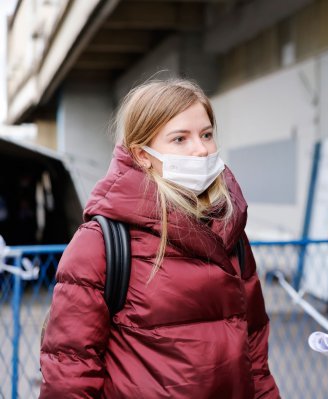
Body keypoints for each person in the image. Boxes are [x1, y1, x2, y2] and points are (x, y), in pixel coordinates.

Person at [40, 79, 280, 398]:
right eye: (180, 138)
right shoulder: (102, 242)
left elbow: (255, 358)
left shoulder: (229, 230)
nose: (201, 148)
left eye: (206, 134)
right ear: (142, 155)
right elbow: (69, 372)